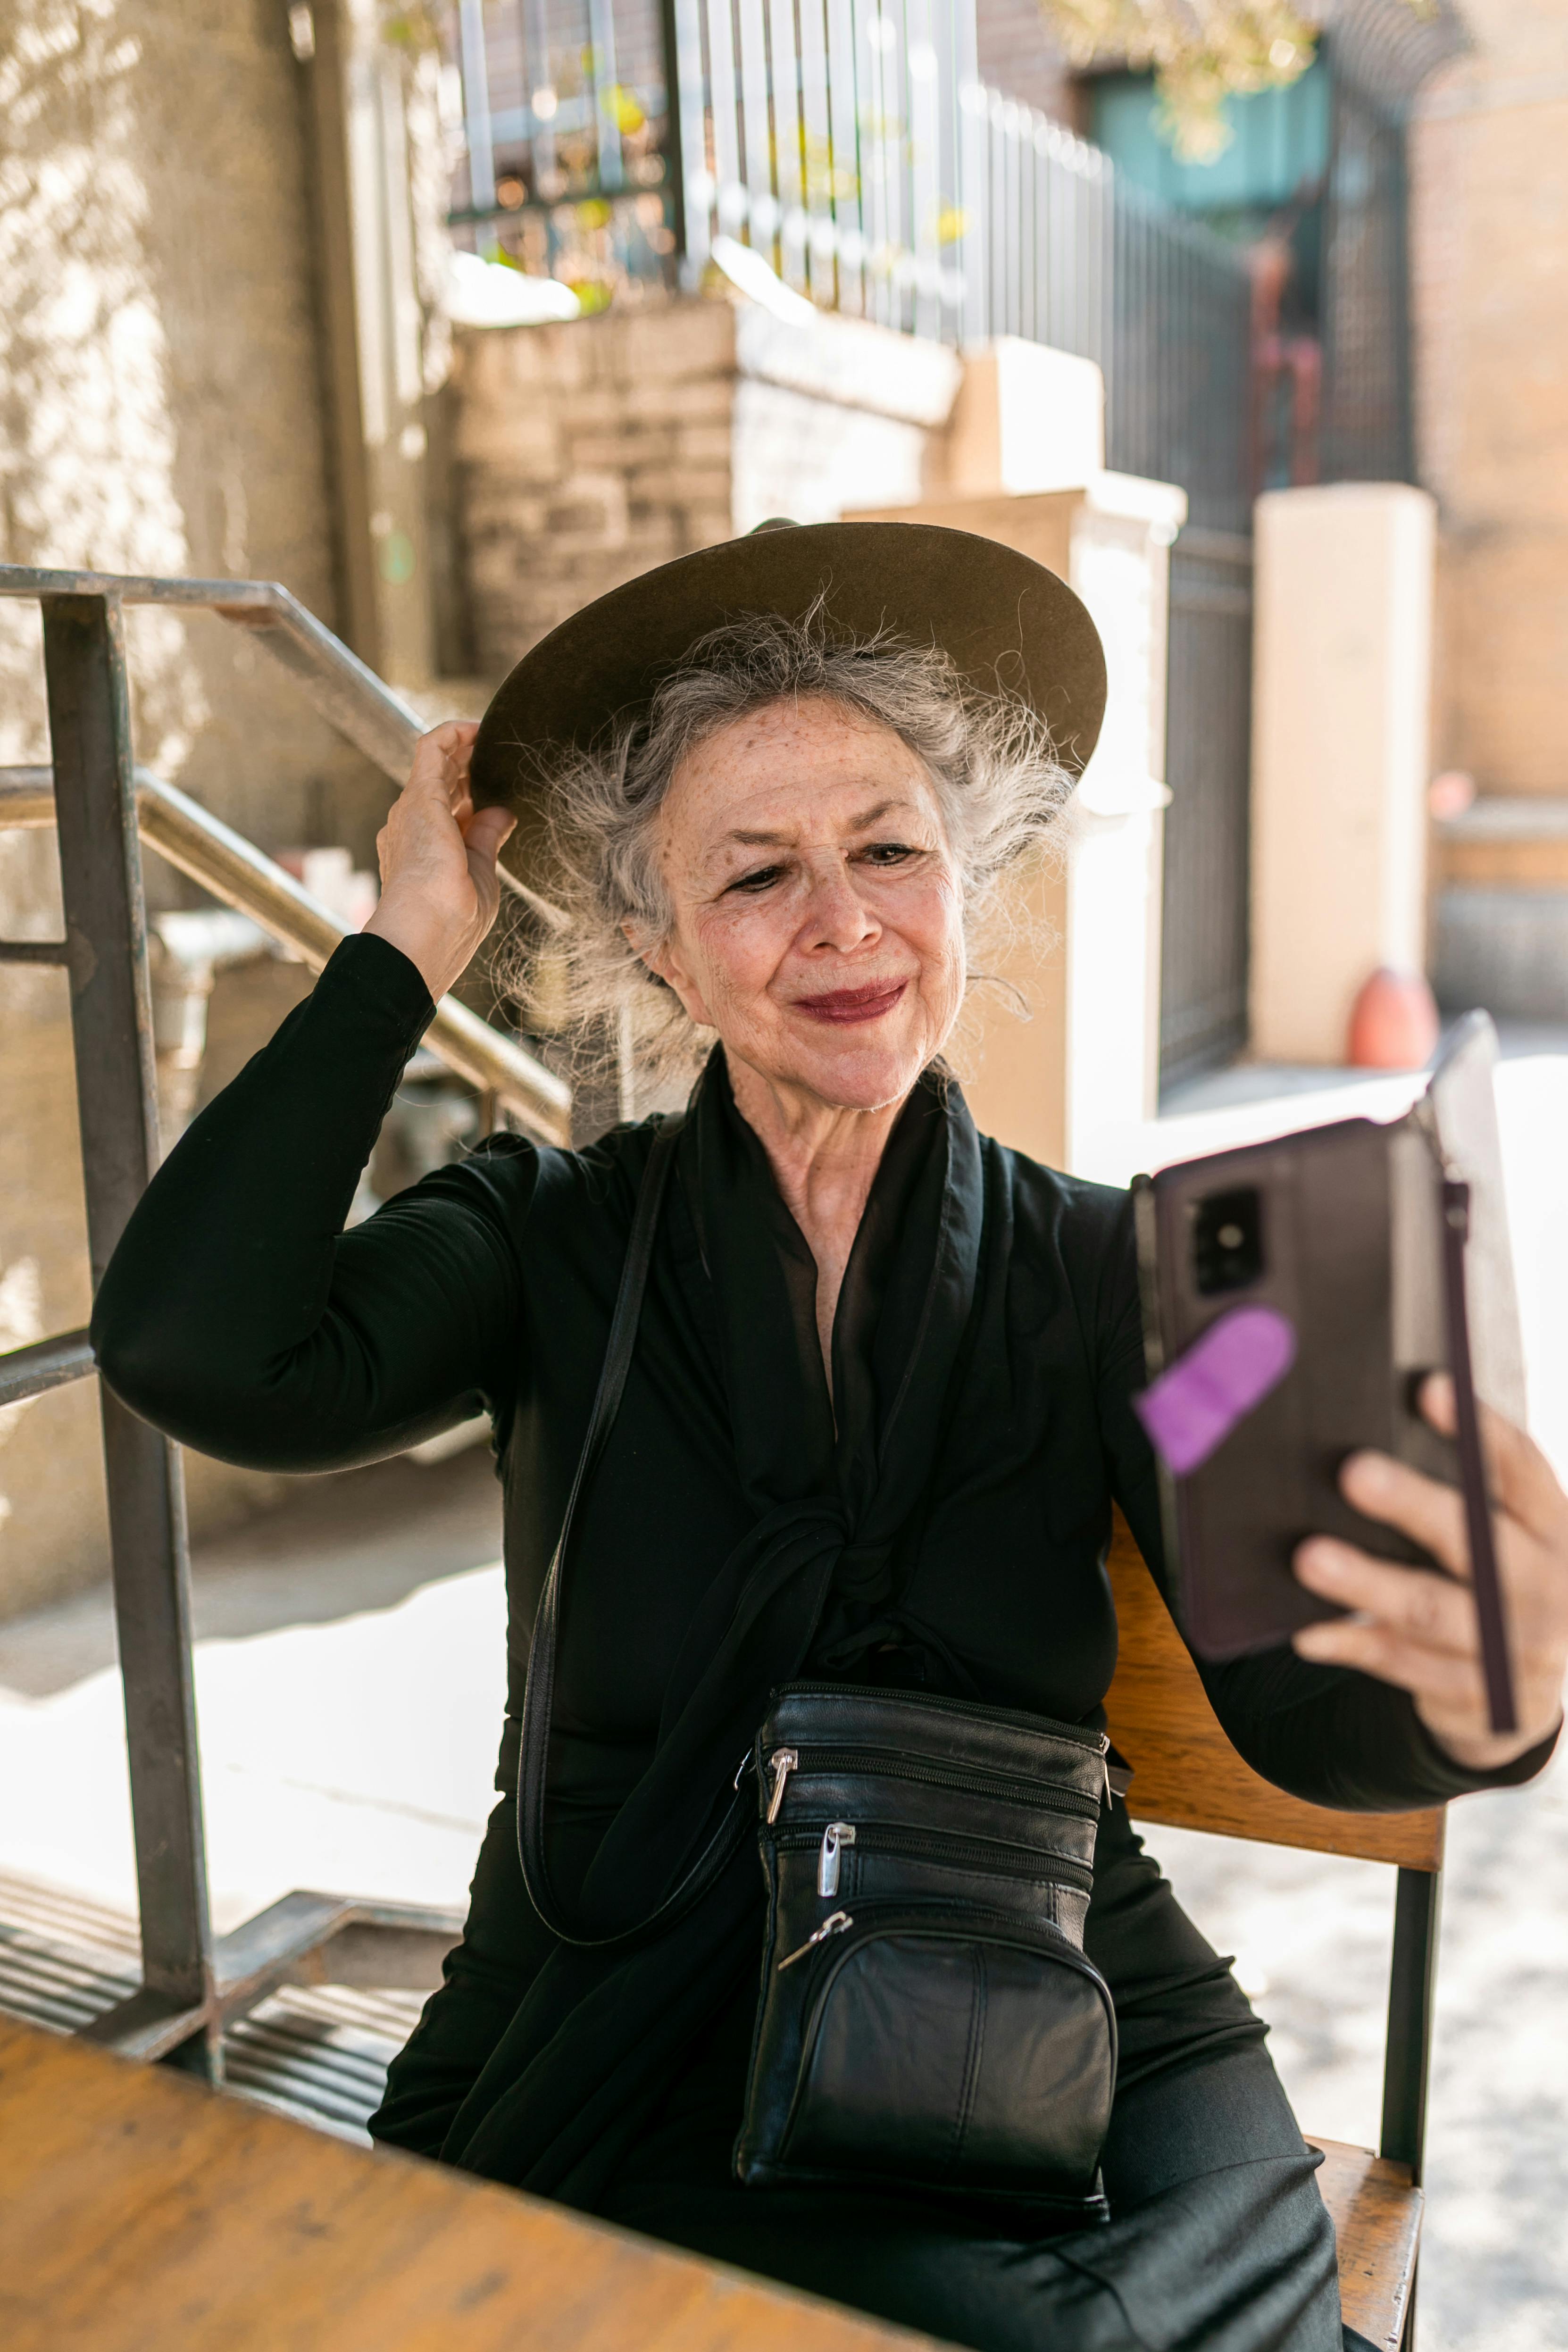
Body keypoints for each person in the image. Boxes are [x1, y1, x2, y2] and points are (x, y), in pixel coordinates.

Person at [93, 524, 1567, 2352]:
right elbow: (198, 1348)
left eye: (890, 850)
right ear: (663, 951)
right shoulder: (546, 1230)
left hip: (1055, 1973)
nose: (844, 919)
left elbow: (1305, 1712)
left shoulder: (1122, 1272)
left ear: (968, 893)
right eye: (756, 875)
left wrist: (1485, 1695)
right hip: (631, 1992)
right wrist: (405, 946)